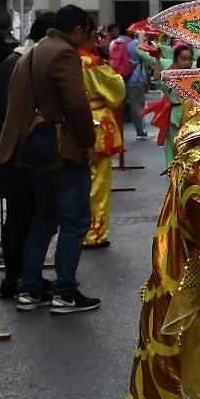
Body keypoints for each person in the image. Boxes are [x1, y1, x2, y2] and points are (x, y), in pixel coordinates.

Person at [0, 5, 99, 314]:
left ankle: (29, 289)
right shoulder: (64, 53)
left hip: (30, 149)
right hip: (59, 149)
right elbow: (77, 103)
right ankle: (65, 293)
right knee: (75, 221)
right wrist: (87, 140)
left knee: (43, 220)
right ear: (78, 30)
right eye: (89, 32)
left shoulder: (33, 51)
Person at [0, 12, 54, 301]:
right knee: (21, 218)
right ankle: (16, 278)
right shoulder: (17, 63)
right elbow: (9, 111)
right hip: (17, 156)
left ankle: (23, 276)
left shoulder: (23, 62)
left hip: (19, 153)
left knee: (23, 217)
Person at [77, 36, 125, 248]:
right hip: (97, 121)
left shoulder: (66, 59)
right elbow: (116, 88)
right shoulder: (91, 62)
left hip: (72, 121)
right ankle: (94, 233)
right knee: (99, 183)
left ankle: (78, 229)